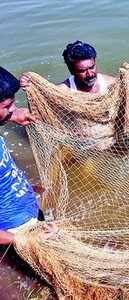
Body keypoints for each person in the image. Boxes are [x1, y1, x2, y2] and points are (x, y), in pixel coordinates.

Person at [0, 66, 43, 245]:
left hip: (28, 209)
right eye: (8, 106)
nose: (14, 109)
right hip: (15, 232)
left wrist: (11, 116)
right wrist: (22, 240)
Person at [20, 40, 115, 94]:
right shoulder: (63, 91)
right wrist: (30, 88)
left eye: (92, 67)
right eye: (82, 71)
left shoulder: (111, 84)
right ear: (72, 71)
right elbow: (38, 113)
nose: (90, 74)